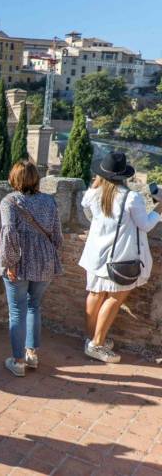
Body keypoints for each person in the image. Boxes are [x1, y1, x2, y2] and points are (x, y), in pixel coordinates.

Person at [79, 151, 162, 363]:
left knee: (95, 294)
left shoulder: (92, 193)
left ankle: (91, 338)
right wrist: (159, 207)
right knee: (115, 298)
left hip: (96, 253)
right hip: (119, 257)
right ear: (123, 175)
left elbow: (89, 215)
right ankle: (97, 345)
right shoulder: (130, 197)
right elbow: (144, 225)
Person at [0, 161, 63, 377]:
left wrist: (10, 262)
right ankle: (32, 355)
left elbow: (9, 233)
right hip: (45, 258)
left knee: (17, 310)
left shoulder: (9, 202)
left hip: (20, 260)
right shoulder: (49, 201)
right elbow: (57, 233)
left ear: (14, 178)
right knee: (34, 306)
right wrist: (50, 255)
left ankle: (17, 362)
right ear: (36, 179)